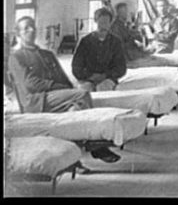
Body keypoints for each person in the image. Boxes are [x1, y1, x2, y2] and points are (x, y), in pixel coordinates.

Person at [8, 16, 121, 163]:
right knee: (82, 95)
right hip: (36, 100)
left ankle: (75, 156)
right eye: (26, 29)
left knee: (75, 108)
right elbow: (30, 83)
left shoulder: (46, 54)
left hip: (54, 96)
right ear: (18, 34)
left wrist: (68, 89)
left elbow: (63, 78)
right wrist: (61, 89)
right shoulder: (16, 57)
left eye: (33, 27)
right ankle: (94, 145)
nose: (31, 31)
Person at [72, 6, 127, 92]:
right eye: (101, 22)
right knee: (84, 92)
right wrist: (90, 76)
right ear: (95, 21)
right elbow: (76, 66)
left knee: (103, 89)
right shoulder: (85, 41)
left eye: (106, 23)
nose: (103, 26)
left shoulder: (115, 42)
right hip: (87, 78)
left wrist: (106, 75)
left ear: (110, 23)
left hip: (108, 79)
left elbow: (121, 68)